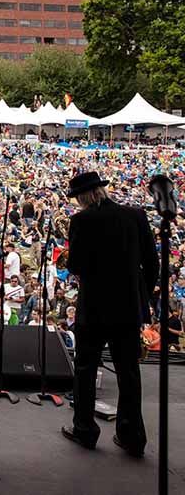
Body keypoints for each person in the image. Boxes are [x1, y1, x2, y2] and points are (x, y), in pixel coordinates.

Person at [61, 171, 156, 458]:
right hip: (127, 309)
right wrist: (141, 297)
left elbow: (75, 265)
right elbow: (152, 263)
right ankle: (132, 436)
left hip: (94, 308)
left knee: (86, 368)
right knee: (128, 371)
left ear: (83, 197)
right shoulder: (135, 216)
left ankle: (85, 430)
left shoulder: (81, 221)